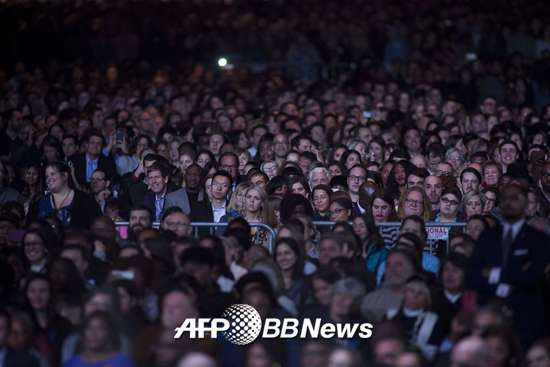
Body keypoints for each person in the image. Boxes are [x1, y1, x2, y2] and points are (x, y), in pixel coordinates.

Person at [466, 183, 550, 347]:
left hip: (526, 317)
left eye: (514, 198)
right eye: (505, 198)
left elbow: (533, 277)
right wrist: (514, 273)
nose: (508, 202)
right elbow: (472, 276)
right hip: (488, 314)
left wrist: (492, 273)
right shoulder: (487, 236)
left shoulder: (538, 240)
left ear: (525, 203)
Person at [28, 162, 101, 228]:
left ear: (65, 176)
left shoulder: (86, 201)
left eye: (52, 174)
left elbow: (97, 228)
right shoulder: (39, 202)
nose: (49, 179)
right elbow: (27, 228)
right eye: (47, 176)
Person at [64, 311, 134, 367]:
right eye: (89, 328)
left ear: (108, 333)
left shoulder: (122, 362)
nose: (93, 333)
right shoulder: (72, 363)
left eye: (100, 328)